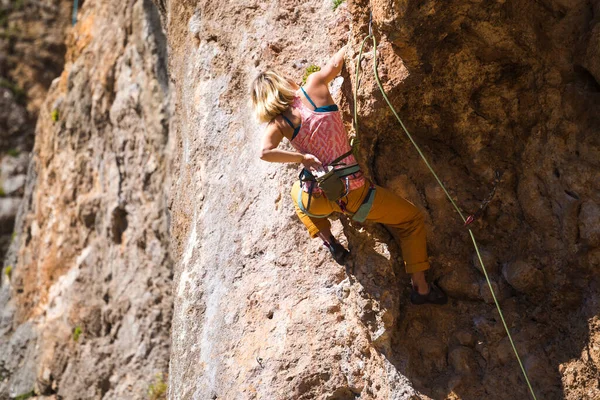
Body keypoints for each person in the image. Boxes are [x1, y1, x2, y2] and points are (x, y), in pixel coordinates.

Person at [250, 46, 447, 305]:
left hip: (319, 199)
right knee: (410, 220)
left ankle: (330, 241)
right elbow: (336, 62)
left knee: (296, 195)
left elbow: (265, 152)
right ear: (283, 82)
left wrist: (301, 158)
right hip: (356, 197)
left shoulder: (279, 124)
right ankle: (420, 289)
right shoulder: (314, 85)